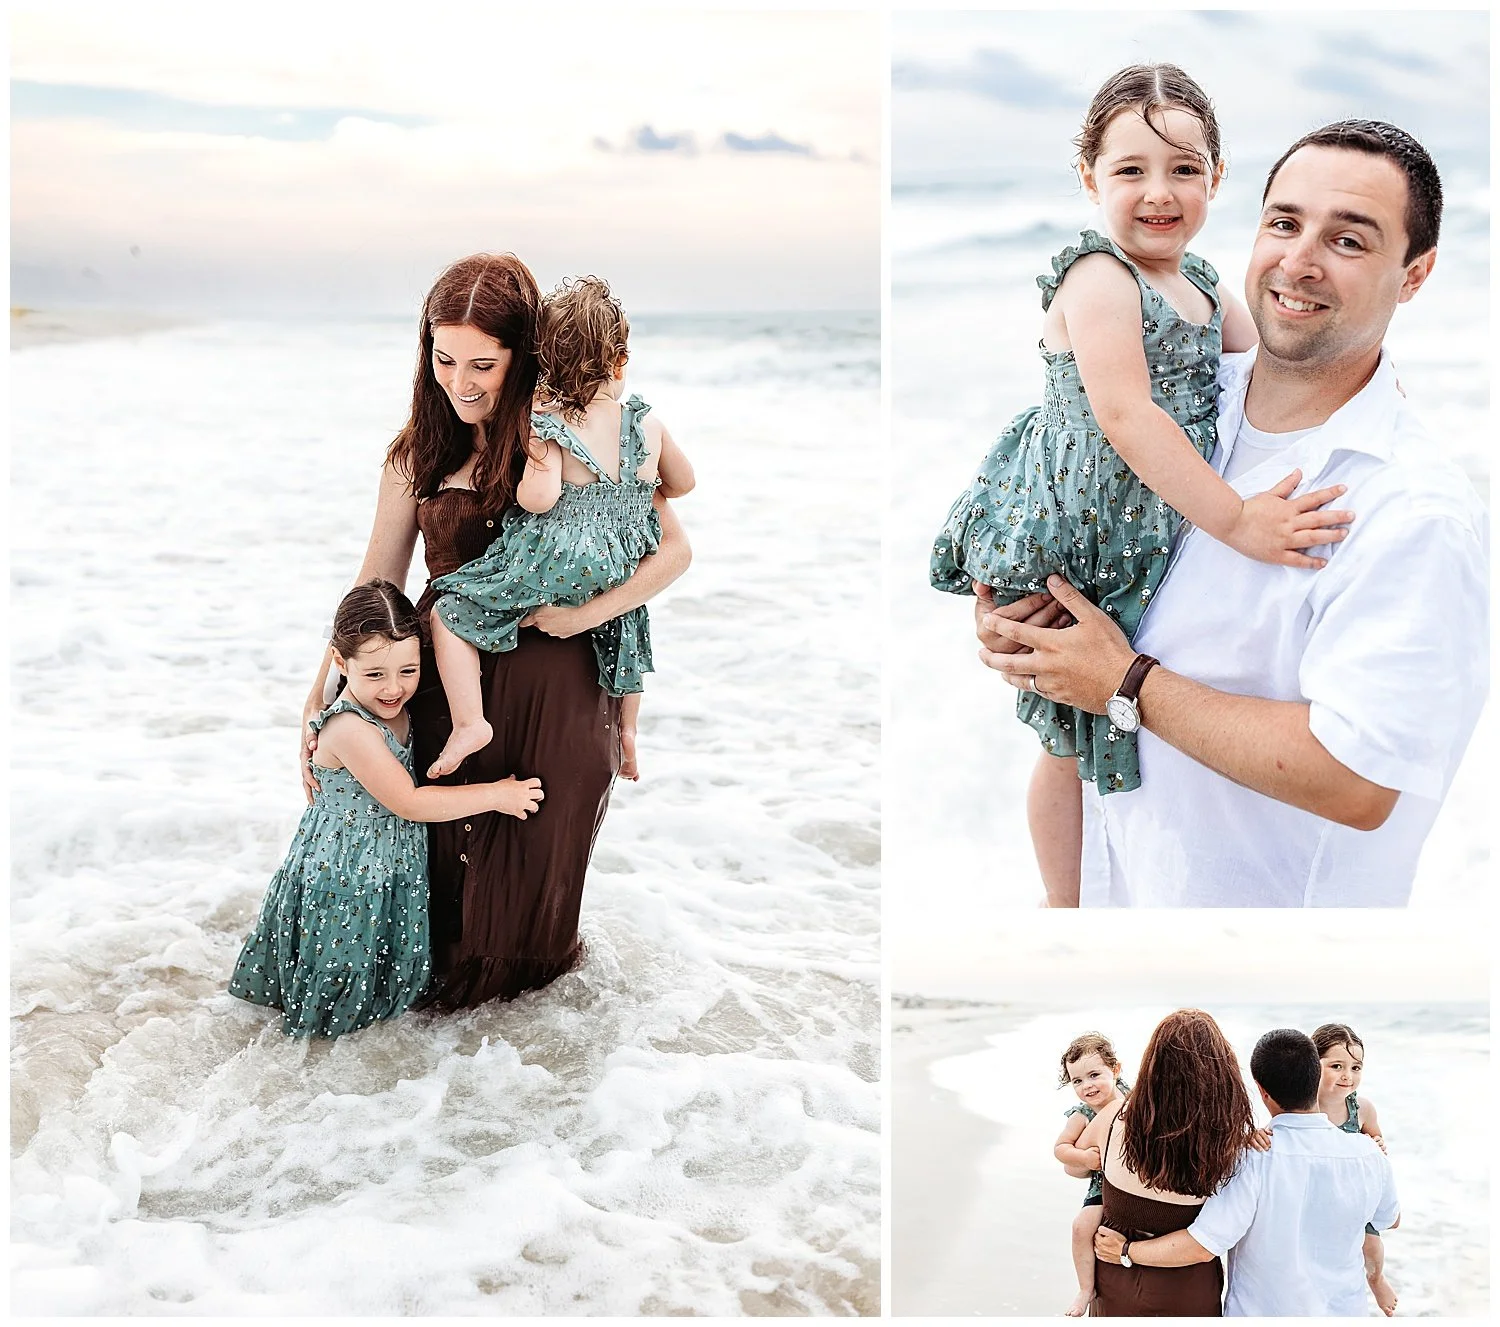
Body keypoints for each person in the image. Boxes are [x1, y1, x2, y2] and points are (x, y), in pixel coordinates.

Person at [979, 119, 1489, 907]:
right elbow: (1068, 504)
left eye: (1348, 242)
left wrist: (1121, 680)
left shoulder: (1411, 509)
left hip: (1261, 935)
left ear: (1413, 276)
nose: (1299, 261)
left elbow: (1357, 779)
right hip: (1111, 910)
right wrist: (1018, 616)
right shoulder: (1177, 400)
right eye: (1284, 223)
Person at [929, 64, 1350, 906]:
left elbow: (1267, 368)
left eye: (1183, 170)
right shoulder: (1098, 278)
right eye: (1131, 171)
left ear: (1216, 180)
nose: (1159, 192)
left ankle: (1143, 879)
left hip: (1147, 531)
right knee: (1063, 737)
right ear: (1089, 179)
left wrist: (1364, 386)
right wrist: (1235, 521)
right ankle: (1063, 905)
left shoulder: (1201, 284)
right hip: (1070, 534)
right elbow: (1124, 415)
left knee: (1116, 710)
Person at [302, 253, 691, 1010]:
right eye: (444, 359)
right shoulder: (417, 451)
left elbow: (670, 550)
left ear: (526, 354)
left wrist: (582, 615)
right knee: (440, 912)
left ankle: (538, 1102)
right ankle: (424, 1098)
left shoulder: (569, 434)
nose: (463, 381)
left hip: (562, 700)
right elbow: (377, 579)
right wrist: (321, 691)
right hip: (447, 699)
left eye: (484, 362)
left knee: (534, 935)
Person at [232, 580, 544, 1036]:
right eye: (375, 674)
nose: (393, 688)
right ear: (341, 662)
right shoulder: (348, 727)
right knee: (339, 979)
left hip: (385, 863)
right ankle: (314, 1074)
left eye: (408, 670)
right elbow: (409, 802)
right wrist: (498, 795)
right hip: (346, 873)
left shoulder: (395, 706)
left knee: (378, 975)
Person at [427, 275, 695, 784]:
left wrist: (534, 459)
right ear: (620, 361)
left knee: (451, 608)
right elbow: (684, 483)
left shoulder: (548, 422)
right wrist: (633, 488)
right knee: (627, 621)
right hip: (619, 561)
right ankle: (630, 730)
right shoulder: (646, 424)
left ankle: (469, 723)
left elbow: (538, 498)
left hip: (557, 562)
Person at [1096, 1028, 1400, 1317]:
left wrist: (1126, 1250)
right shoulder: (1369, 1154)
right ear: (1314, 1077)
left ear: (1261, 1090)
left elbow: (1202, 1245)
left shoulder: (1252, 1158)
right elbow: (1390, 1219)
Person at [1073, 1009, 1256, 1315]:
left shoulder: (1113, 1118)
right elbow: (1206, 1242)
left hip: (1117, 1290)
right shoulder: (1228, 1143)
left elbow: (1076, 1166)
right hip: (1188, 1296)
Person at [1314, 1022, 1397, 1315]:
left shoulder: (1361, 1108)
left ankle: (1376, 1279)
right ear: (1313, 1064)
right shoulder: (1305, 1106)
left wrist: (1379, 1145)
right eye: (1336, 1066)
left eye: (1356, 1067)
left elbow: (1376, 1140)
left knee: (1371, 1244)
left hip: (1354, 1193)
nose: (1347, 1076)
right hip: (1319, 1192)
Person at [1052, 1033, 1130, 1316]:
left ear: (1116, 1069)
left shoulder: (1134, 1098)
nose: (1087, 1086)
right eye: (1077, 1081)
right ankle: (1086, 1289)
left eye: (1094, 1075)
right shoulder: (1082, 1114)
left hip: (1133, 1180)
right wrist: (1083, 1157)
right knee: (1080, 1227)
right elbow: (1061, 1149)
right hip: (1100, 1186)